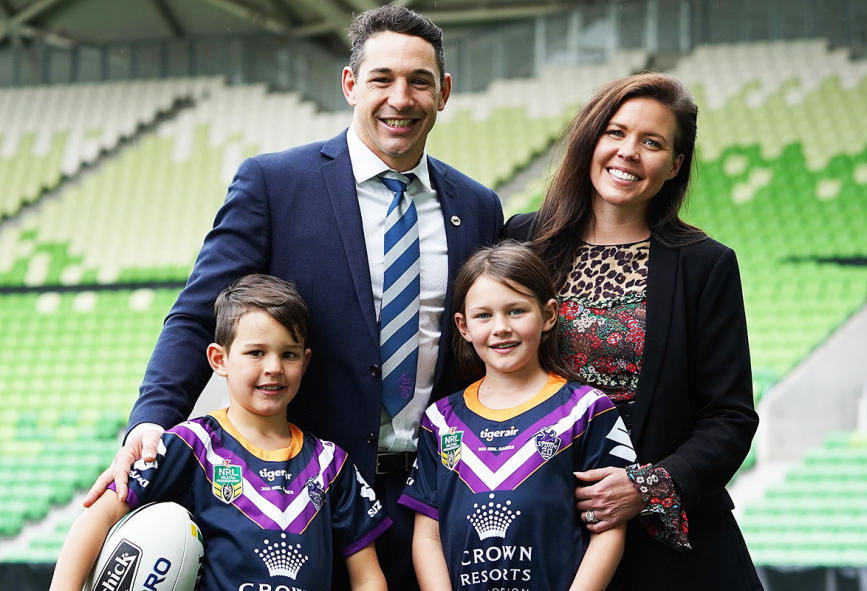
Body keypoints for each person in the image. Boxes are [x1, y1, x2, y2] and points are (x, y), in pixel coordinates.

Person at [83, 5, 503, 588]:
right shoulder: (274, 183)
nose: (400, 98)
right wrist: (150, 421)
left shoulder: (477, 207)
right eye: (382, 79)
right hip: (306, 501)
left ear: (445, 92)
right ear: (351, 85)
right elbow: (199, 311)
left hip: (436, 497)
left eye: (420, 82)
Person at [502, 73, 761, 589]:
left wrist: (644, 487)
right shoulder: (521, 240)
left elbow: (730, 418)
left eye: (652, 142)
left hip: (664, 551)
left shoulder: (704, 265)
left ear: (674, 165)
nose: (628, 153)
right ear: (591, 139)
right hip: (537, 526)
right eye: (616, 133)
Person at [51, 274, 389, 591]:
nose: (273, 367)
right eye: (256, 352)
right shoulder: (190, 445)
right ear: (219, 359)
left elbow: (367, 578)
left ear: (306, 360)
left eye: (289, 354)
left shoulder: (332, 465)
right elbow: (97, 516)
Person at [398, 242, 637, 590]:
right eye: (484, 315)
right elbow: (427, 536)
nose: (501, 327)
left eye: (516, 311)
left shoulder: (587, 409)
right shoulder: (440, 419)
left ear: (549, 315)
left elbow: (609, 526)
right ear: (463, 326)